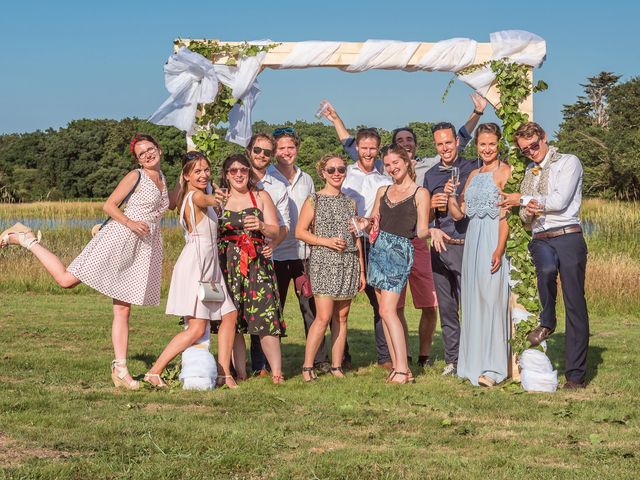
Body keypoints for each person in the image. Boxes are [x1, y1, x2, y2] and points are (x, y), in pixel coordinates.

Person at [0, 134, 171, 389]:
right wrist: (130, 223)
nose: (147, 155)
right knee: (66, 280)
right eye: (141, 153)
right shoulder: (136, 176)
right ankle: (24, 239)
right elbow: (109, 206)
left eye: (150, 149)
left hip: (140, 248)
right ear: (137, 160)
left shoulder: (163, 180)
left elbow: (172, 203)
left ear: (159, 149)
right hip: (118, 238)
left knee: (123, 309)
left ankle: (120, 369)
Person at [498, 122, 589, 389]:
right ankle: (547, 321)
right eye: (525, 150)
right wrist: (527, 206)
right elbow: (527, 218)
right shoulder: (529, 171)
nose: (531, 153)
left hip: (568, 235)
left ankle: (575, 375)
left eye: (534, 146)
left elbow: (559, 201)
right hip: (540, 237)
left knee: (575, 305)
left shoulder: (568, 162)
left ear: (543, 137)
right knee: (546, 269)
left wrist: (524, 200)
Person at [144, 152, 237, 388]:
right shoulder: (196, 196)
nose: (204, 174)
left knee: (229, 314)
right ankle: (154, 371)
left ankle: (223, 373)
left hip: (209, 266)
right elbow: (206, 201)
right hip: (197, 266)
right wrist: (217, 199)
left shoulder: (197, 194)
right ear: (186, 175)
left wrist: (216, 198)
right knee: (196, 328)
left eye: (206, 170)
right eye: (197, 171)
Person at [354, 145, 431, 384]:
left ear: (407, 162)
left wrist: (434, 233)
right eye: (387, 165)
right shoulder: (382, 190)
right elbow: (372, 220)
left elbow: (421, 230)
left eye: (396, 162)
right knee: (384, 311)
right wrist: (362, 222)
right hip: (378, 250)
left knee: (388, 310)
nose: (392, 168)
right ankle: (401, 368)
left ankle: (402, 368)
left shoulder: (420, 193)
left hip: (400, 250)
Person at [445, 123, 511, 387]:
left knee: (492, 299)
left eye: (491, 144)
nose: (487, 149)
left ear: (499, 144)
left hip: (492, 238)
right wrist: (450, 197)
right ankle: (471, 363)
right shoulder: (471, 175)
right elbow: (459, 213)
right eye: (482, 144)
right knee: (473, 300)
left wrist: (499, 248)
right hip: (472, 238)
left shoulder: (504, 172)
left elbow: (505, 214)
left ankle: (494, 368)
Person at [267, 128, 334, 372]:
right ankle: (265, 362)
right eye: (281, 148)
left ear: (297, 148)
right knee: (273, 310)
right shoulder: (267, 177)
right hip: (275, 254)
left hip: (304, 255)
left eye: (290, 147)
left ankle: (319, 359)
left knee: (312, 309)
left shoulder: (305, 179)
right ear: (274, 151)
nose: (286, 152)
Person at [295, 154, 366, 381]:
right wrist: (326, 241)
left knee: (342, 317)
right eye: (332, 170)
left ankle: (336, 366)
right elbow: (300, 232)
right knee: (323, 317)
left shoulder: (350, 202)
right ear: (323, 173)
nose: (337, 173)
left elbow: (357, 238)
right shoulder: (313, 199)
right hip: (324, 262)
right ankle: (308, 366)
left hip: (349, 262)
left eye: (341, 169)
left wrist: (362, 270)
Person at [217, 153, 286, 385]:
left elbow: (276, 231)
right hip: (228, 264)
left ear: (249, 172)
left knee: (265, 317)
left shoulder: (261, 196)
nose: (238, 174)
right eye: (233, 171)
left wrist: (262, 226)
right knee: (232, 319)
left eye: (243, 170)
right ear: (226, 175)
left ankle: (277, 372)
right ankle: (241, 372)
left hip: (257, 262)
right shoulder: (219, 199)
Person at [423, 122, 479, 376]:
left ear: (457, 141)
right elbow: (426, 217)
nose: (445, 148)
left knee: (469, 305)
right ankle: (452, 360)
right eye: (440, 144)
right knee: (446, 307)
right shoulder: (431, 174)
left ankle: (474, 356)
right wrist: (433, 205)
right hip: (439, 245)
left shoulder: (473, 167)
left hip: (466, 243)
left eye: (448, 142)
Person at [245, 133, 291, 377]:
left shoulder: (278, 186)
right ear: (249, 150)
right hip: (235, 256)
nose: (261, 155)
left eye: (266, 152)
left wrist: (273, 244)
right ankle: (231, 365)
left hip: (263, 254)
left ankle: (261, 365)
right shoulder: (234, 176)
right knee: (234, 312)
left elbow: (284, 226)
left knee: (261, 311)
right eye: (257, 150)